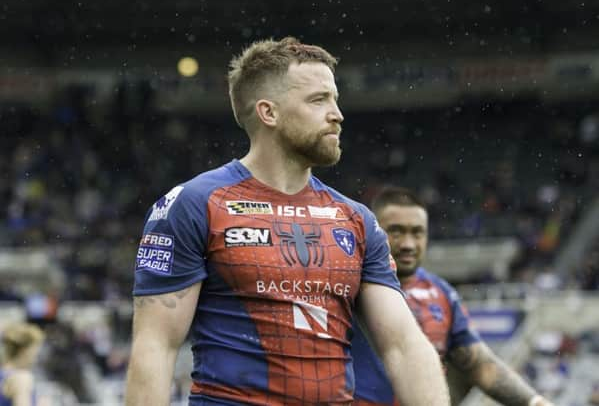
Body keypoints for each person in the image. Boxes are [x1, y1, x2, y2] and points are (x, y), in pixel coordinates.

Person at [125, 37, 449, 405]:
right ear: (269, 113)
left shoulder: (356, 219)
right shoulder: (194, 205)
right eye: (318, 100)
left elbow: (404, 346)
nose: (337, 114)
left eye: (335, 99)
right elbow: (155, 348)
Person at [352, 186, 554, 406]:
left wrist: (535, 402)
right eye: (396, 231)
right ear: (374, 232)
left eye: (417, 232)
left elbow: (481, 367)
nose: (408, 244)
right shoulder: (348, 286)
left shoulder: (442, 293)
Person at [0, 322, 45, 406]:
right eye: (35, 353)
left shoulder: (3, 373)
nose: (35, 359)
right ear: (24, 351)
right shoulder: (21, 378)